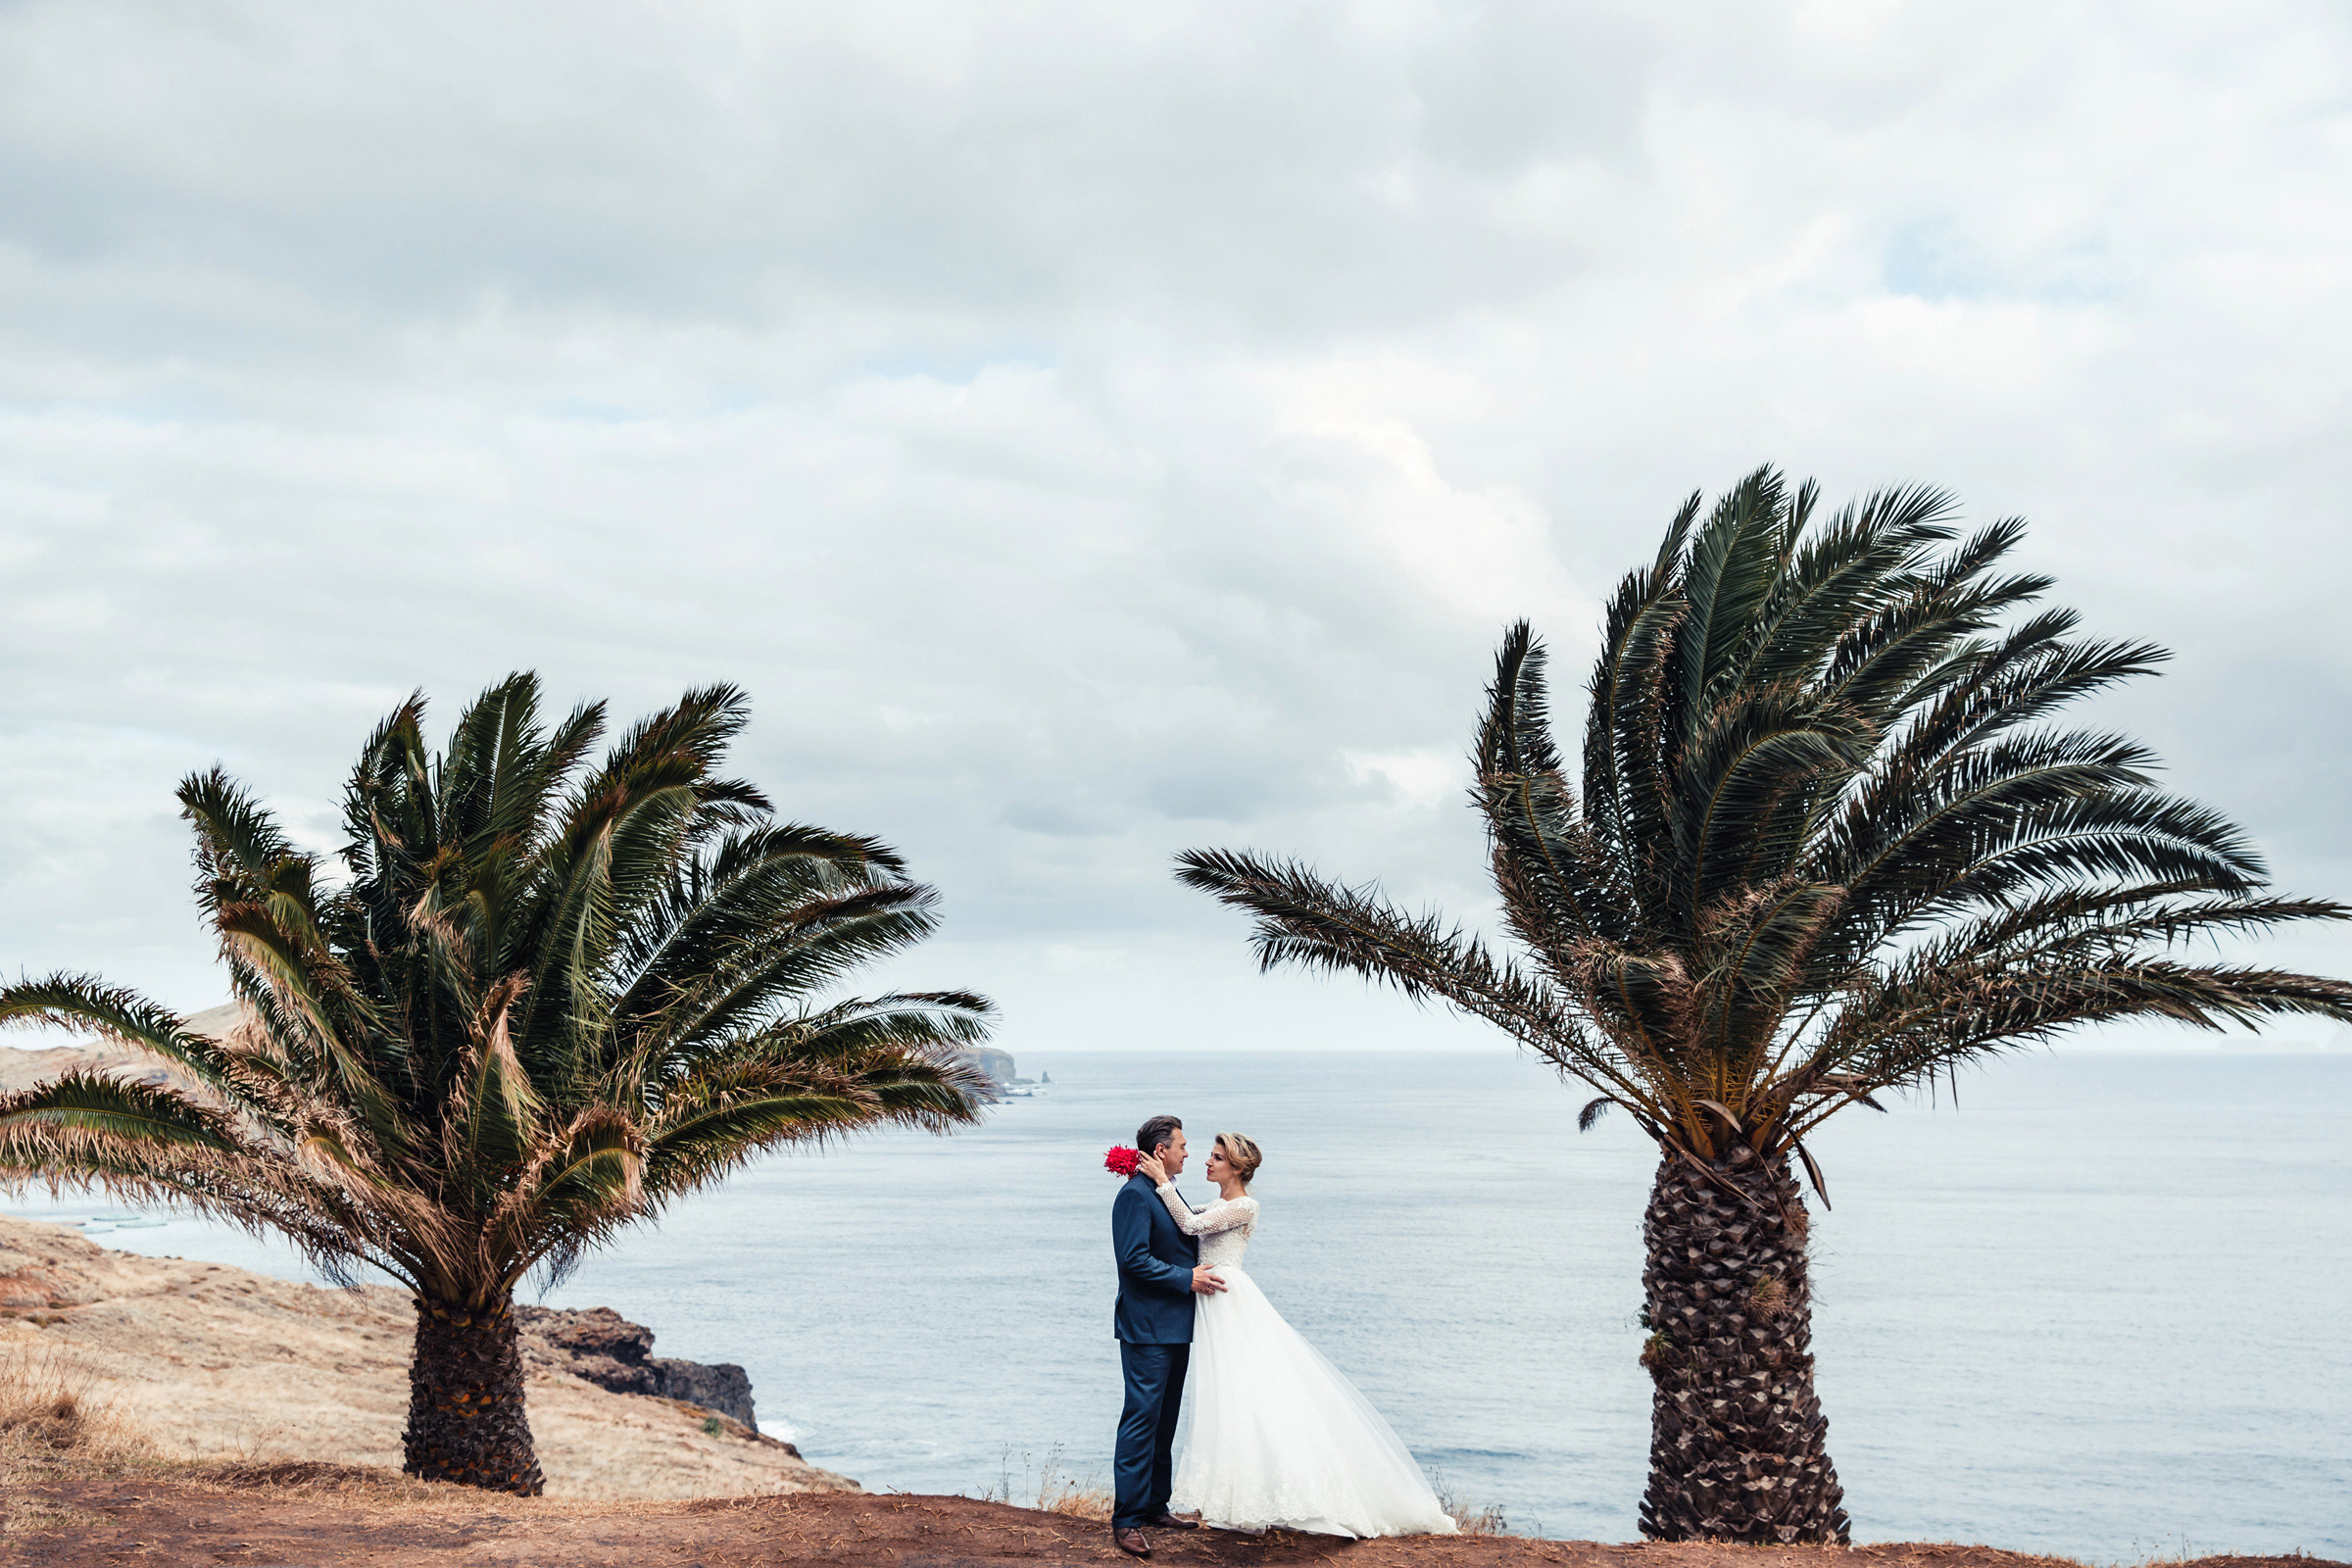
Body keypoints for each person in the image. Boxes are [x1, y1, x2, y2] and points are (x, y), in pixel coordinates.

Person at [1134, 1132, 1457, 1540]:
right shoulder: (1220, 1203)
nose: (1206, 1162)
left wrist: (1162, 1181)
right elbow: (1179, 1215)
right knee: (1230, 1395)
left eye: (1216, 1158)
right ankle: (1238, 1495)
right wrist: (1156, 1182)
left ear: (1236, 1167)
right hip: (1212, 1299)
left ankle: (1279, 1492)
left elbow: (1190, 1223)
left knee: (1247, 1390)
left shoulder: (1245, 1205)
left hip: (1228, 1298)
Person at [1109, 1114, 1226, 1558]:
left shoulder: (1164, 1190)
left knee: (1165, 1421)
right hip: (1147, 1329)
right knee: (1141, 1422)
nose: (1187, 1152)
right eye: (1182, 1145)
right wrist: (1187, 1279)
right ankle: (1126, 1520)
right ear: (1162, 1150)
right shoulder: (1133, 1197)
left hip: (1175, 1326)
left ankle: (1156, 1505)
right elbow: (1134, 1260)